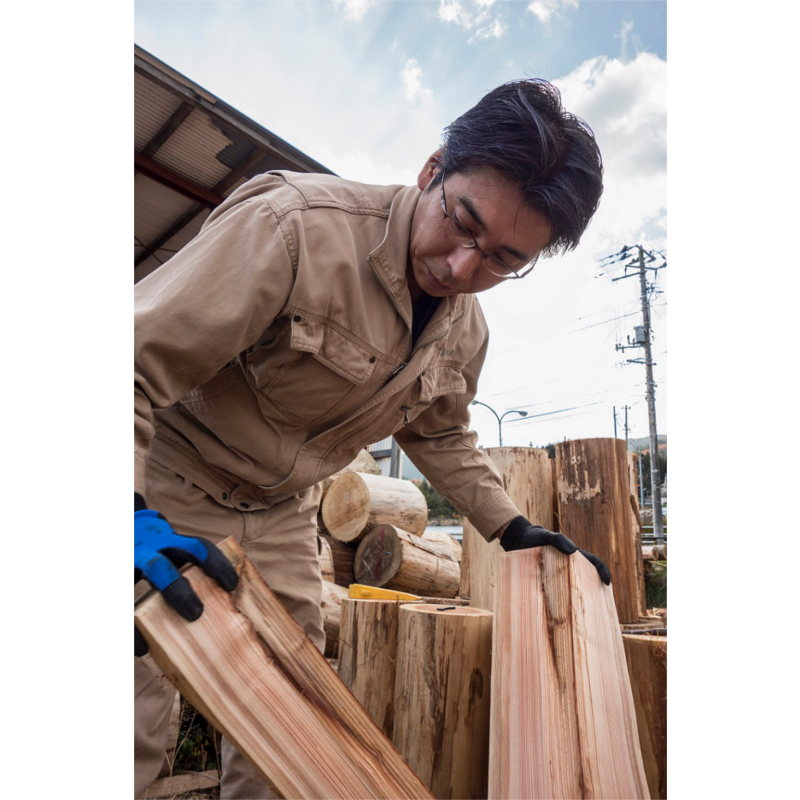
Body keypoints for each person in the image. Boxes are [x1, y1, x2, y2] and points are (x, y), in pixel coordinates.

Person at [134, 78, 608, 798]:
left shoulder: (465, 329)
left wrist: (509, 526)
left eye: (503, 260)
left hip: (283, 511)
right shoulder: (294, 228)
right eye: (462, 222)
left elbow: (441, 431)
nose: (462, 267)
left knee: (285, 716)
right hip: (168, 484)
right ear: (432, 170)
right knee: (132, 709)